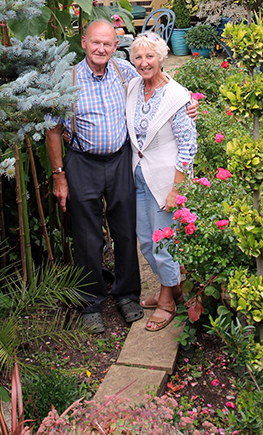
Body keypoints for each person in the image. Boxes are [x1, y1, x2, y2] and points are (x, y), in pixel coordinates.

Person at [46, 19, 199, 335]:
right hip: (81, 162)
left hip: (120, 162)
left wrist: (188, 102)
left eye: (108, 43)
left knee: (126, 230)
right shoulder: (66, 79)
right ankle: (91, 302)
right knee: (87, 235)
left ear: (116, 47)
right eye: (95, 42)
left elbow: (157, 79)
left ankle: (127, 295)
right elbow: (53, 128)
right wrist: (59, 176)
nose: (101, 49)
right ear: (84, 43)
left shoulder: (124, 72)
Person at [126, 32, 197, 331]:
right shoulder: (132, 87)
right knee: (145, 241)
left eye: (150, 56)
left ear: (161, 58)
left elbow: (188, 146)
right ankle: (175, 287)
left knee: (164, 243)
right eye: (138, 57)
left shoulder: (177, 96)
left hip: (167, 179)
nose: (144, 63)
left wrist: (177, 188)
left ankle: (167, 299)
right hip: (140, 175)